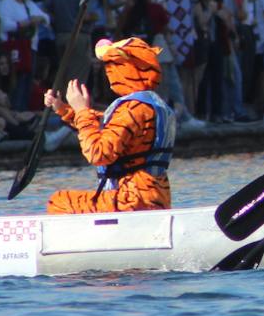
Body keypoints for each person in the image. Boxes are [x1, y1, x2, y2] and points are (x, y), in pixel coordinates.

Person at [43, 37, 175, 214]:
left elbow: (98, 153)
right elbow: (107, 127)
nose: (108, 72)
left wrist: (82, 111)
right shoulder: (155, 105)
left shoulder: (132, 109)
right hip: (157, 197)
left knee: (58, 201)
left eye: (112, 66)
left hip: (131, 199)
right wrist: (64, 109)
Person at [0, 0, 50, 109]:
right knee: (16, 81)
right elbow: (5, 25)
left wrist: (39, 18)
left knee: (27, 81)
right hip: (14, 48)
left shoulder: (28, 3)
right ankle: (16, 109)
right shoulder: (6, 3)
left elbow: (46, 18)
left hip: (29, 47)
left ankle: (23, 109)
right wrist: (25, 23)